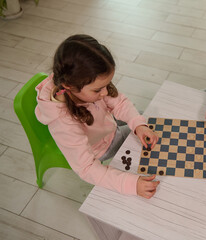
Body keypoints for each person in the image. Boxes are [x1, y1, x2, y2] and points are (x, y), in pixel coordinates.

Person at [35, 34, 160, 199]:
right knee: (151, 149)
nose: (106, 92)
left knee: (144, 120)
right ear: (68, 86)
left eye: (107, 85)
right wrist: (131, 184)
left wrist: (138, 125)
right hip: (102, 147)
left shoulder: (80, 81)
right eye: (98, 90)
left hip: (106, 125)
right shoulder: (63, 121)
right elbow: (87, 168)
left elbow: (119, 103)